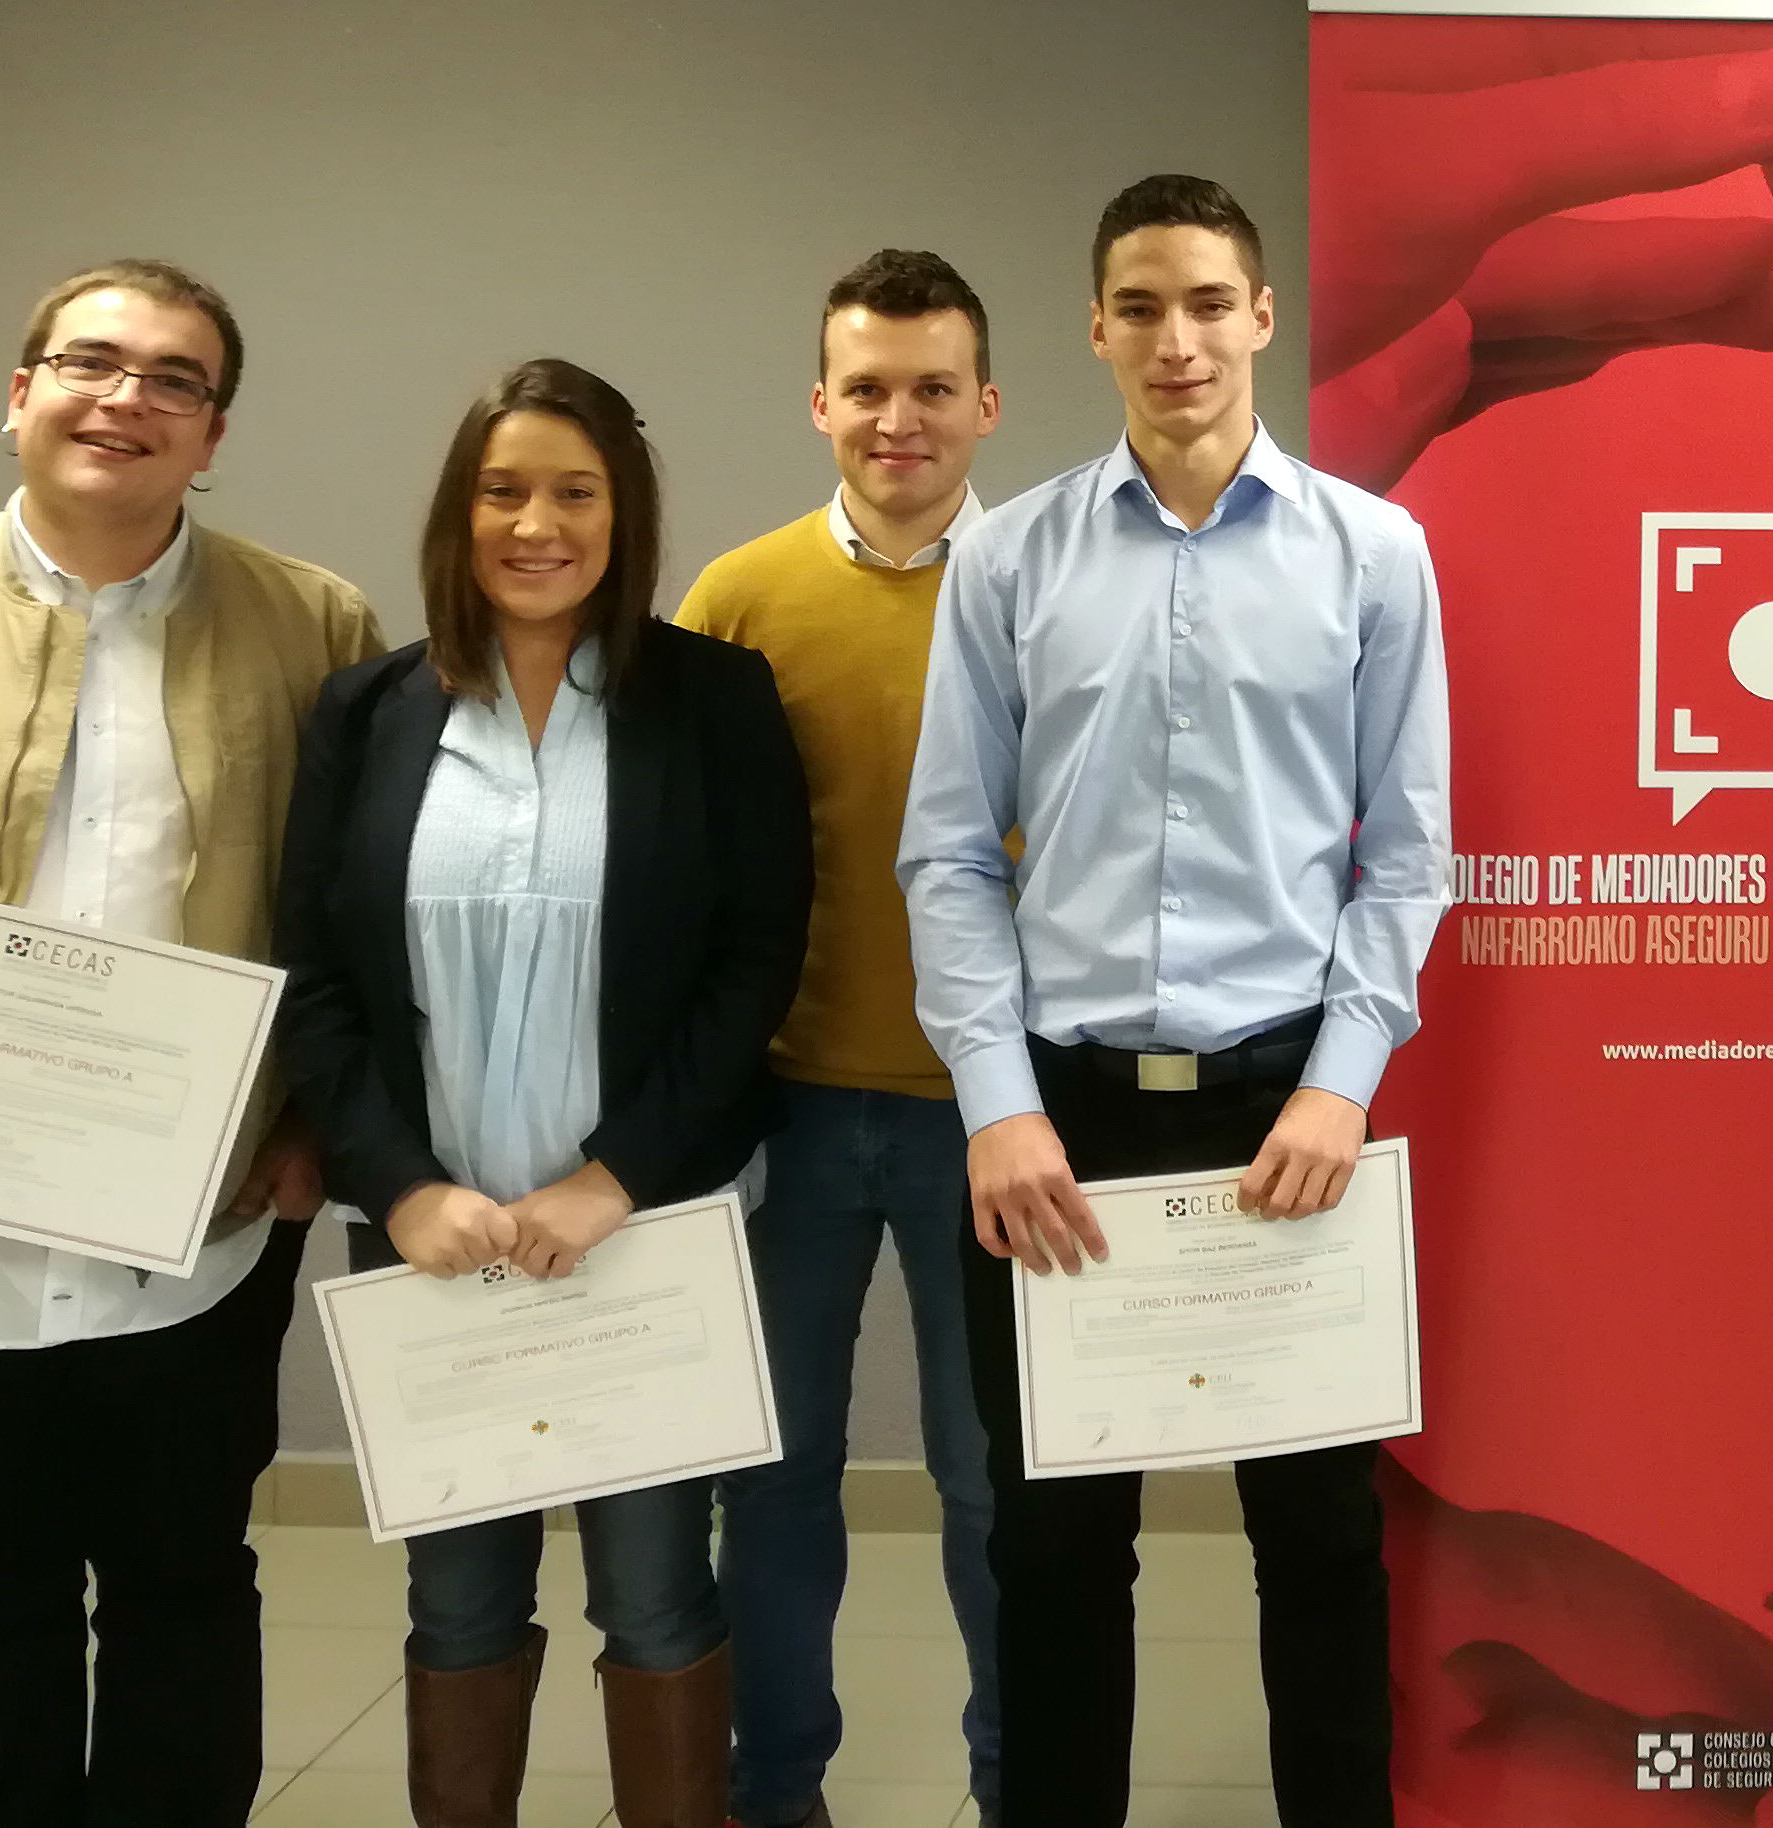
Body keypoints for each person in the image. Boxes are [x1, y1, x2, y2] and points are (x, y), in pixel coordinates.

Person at [899, 172, 1451, 1828]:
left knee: (1322, 1552)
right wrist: (996, 1107)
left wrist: (1342, 1080)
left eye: (1209, 303)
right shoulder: (1008, 557)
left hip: (1289, 1114)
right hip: (1056, 1127)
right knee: (1057, 1556)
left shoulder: (1373, 553)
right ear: (1095, 329)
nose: (1177, 340)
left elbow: (1408, 854)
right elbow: (949, 856)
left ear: (1261, 316)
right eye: (1139, 307)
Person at [0, 259, 376, 1828]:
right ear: (20, 395)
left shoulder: (316, 625)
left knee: (188, 1583)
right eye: (90, 363)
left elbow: (354, 908)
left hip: (196, 1224)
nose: (127, 398)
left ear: (214, 434)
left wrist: (316, 1118)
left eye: (175, 380)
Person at [272, 357, 810, 1828]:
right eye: (503, 491)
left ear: (623, 517)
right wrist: (401, 1187)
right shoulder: (364, 711)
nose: (536, 524)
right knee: (457, 1604)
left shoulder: (714, 699)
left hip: (642, 1228)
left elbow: (754, 964)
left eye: (576, 493)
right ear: (458, 511)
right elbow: (312, 974)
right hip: (432, 1245)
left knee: (654, 1592)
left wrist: (615, 1177)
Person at [677, 247, 1008, 1828]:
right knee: (773, 1478)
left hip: (995, 1119)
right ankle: (775, 1787)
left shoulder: (1048, 584)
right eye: (867, 388)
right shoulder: (736, 600)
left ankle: (1016, 1780)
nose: (899, 419)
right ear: (819, 404)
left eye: (934, 387)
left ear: (988, 405)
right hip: (786, 1117)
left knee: (994, 1487)